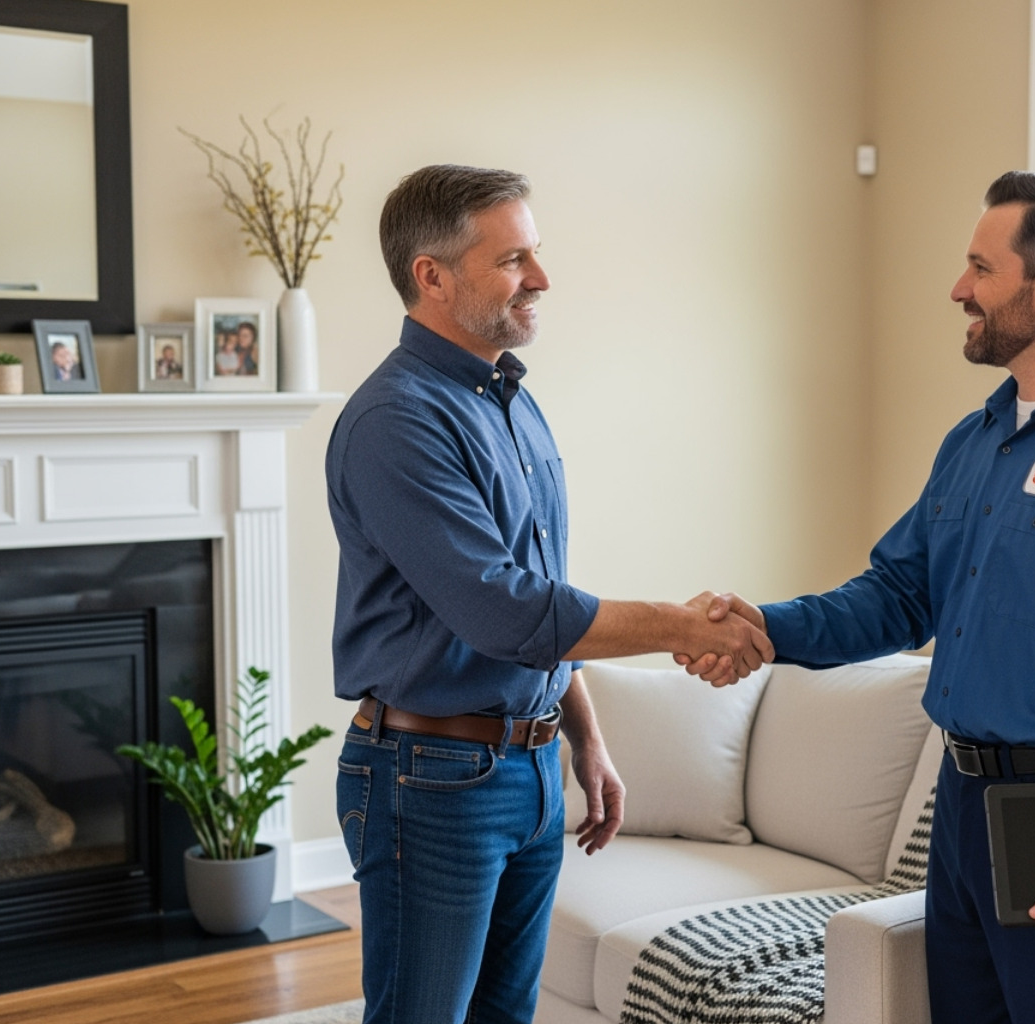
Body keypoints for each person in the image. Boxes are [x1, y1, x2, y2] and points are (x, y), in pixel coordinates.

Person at [683, 171, 1035, 1023]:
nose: (957, 289)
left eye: (981, 268)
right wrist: (762, 628)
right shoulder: (976, 443)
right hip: (964, 809)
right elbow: (899, 595)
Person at [326, 164, 773, 1024]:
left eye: (534, 252)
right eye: (512, 259)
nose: (541, 277)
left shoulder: (509, 402)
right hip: (432, 780)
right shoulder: (397, 421)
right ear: (432, 275)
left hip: (528, 770)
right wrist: (683, 626)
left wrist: (584, 739)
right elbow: (505, 610)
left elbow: (543, 592)